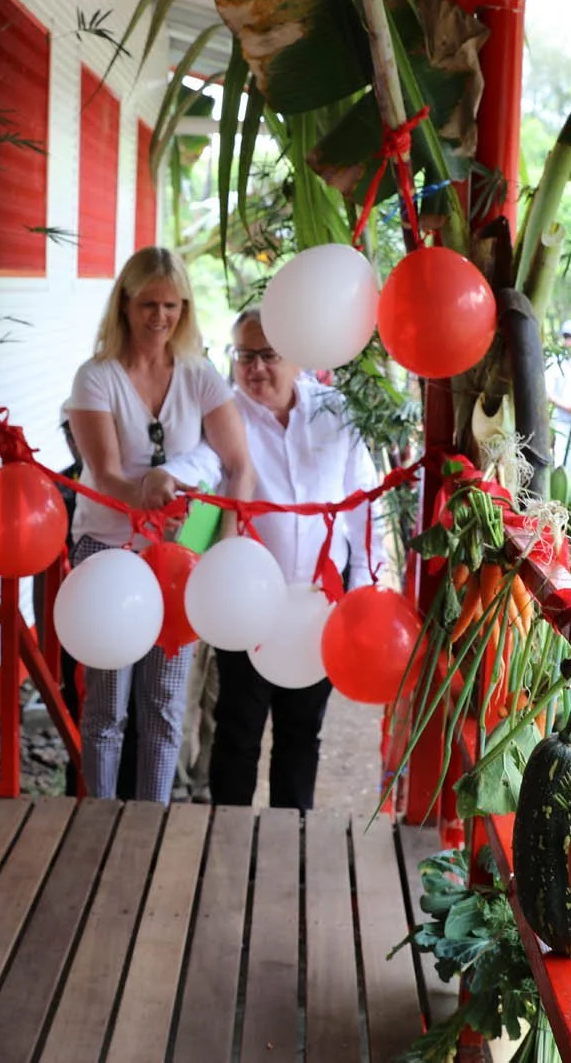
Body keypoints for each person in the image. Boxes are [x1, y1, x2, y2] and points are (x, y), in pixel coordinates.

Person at [64, 247, 255, 803]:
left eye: (172, 305)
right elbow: (103, 474)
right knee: (106, 706)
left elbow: (239, 465)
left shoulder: (199, 376)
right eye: (149, 303)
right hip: (108, 552)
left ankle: (154, 822)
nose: (160, 317)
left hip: (179, 561)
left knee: (165, 705)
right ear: (125, 303)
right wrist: (149, 492)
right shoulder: (96, 377)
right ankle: (96, 818)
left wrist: (228, 544)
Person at [209, 308, 380, 811]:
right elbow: (200, 469)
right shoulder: (224, 415)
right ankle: (228, 839)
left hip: (320, 602)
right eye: (244, 355)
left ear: (297, 359)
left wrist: (366, 585)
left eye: (267, 355)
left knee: (302, 730)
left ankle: (292, 841)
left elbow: (362, 499)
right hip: (246, 602)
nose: (255, 368)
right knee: (238, 727)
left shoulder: (335, 409)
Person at [544, 318, 571, 458]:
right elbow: (548, 393)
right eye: (565, 337)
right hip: (563, 424)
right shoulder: (556, 361)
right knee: (562, 465)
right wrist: (570, 408)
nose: (567, 341)